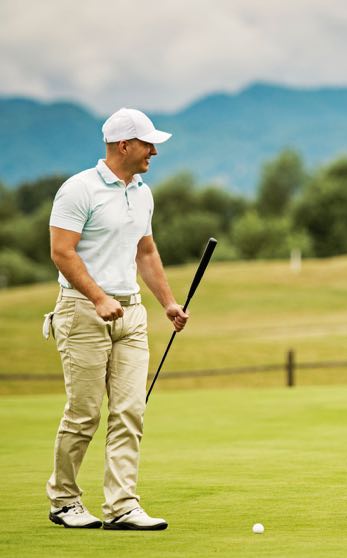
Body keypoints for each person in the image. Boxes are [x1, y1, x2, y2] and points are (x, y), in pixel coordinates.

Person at [45, 108, 188, 531]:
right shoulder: (79, 190)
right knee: (84, 413)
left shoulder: (142, 191)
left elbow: (146, 251)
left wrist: (167, 303)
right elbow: (62, 252)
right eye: (147, 144)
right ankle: (64, 501)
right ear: (124, 145)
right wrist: (98, 297)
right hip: (83, 311)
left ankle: (122, 505)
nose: (155, 151)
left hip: (132, 314)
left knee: (130, 411)